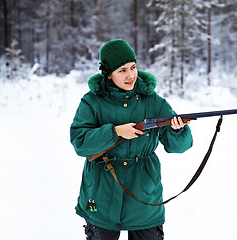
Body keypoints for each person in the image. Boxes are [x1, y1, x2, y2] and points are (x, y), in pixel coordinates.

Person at [70, 39, 193, 240]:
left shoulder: (153, 101)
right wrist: (115, 132)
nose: (130, 75)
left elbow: (178, 147)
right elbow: (80, 143)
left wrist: (178, 131)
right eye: (122, 70)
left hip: (144, 193)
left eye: (133, 67)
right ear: (108, 74)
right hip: (100, 193)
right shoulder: (91, 102)